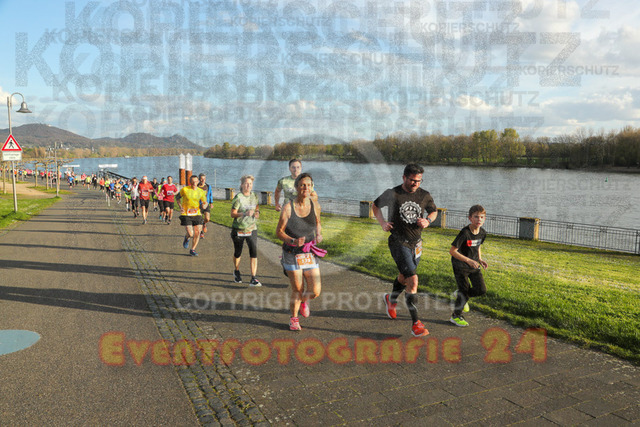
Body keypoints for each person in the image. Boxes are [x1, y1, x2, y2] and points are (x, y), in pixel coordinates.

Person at [372, 163, 437, 337]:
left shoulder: (424, 195)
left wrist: (428, 221)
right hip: (398, 241)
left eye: (419, 180)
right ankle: (416, 324)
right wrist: (382, 223)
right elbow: (375, 206)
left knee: (404, 276)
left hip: (416, 244)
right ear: (404, 177)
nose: (415, 183)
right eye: (412, 180)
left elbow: (433, 211)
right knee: (413, 281)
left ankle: (391, 299)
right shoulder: (393, 193)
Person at [276, 173, 324, 331]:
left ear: (312, 187)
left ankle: (304, 301)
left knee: (315, 291)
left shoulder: (315, 205)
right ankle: (294, 319)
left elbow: (318, 223)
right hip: (292, 253)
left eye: (309, 185)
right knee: (298, 289)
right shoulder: (288, 207)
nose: (306, 188)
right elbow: (279, 232)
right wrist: (293, 241)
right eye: (302, 185)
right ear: (296, 187)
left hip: (309, 253)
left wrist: (318, 234)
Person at [449, 205, 488, 327]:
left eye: (481, 217)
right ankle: (456, 316)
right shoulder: (465, 233)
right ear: (470, 218)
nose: (479, 219)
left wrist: (480, 259)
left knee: (481, 290)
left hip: (474, 265)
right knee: (464, 290)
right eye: (476, 217)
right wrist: (468, 260)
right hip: (460, 265)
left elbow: (478, 246)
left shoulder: (482, 233)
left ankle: (460, 295)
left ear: (484, 219)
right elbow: (452, 251)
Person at [230, 175, 261, 287]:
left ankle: (253, 277)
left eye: (250, 184)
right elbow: (232, 214)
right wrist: (244, 213)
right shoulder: (238, 197)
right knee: (238, 252)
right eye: (246, 183)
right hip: (239, 229)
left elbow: (256, 208)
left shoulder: (254, 196)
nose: (249, 186)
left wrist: (257, 213)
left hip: (252, 229)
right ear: (242, 185)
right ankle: (237, 271)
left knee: (254, 252)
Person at [176, 175, 208, 256]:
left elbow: (205, 202)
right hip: (186, 214)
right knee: (191, 234)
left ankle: (193, 249)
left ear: (198, 182)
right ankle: (187, 238)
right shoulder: (185, 189)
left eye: (195, 181)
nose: (194, 183)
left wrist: (204, 205)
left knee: (197, 232)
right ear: (190, 182)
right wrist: (180, 207)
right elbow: (177, 197)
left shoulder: (201, 191)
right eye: (192, 181)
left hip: (197, 213)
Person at [197, 173, 214, 239]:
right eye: (201, 179)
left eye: (204, 178)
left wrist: (211, 203)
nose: (203, 180)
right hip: (198, 205)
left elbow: (210, 194)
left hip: (206, 204)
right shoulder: (196, 186)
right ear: (199, 179)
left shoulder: (208, 186)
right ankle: (201, 233)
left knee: (207, 219)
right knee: (200, 219)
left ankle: (204, 223)